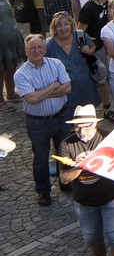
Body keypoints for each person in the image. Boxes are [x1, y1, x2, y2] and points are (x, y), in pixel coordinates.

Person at [58, 104, 114, 256]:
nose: (81, 131)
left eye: (85, 126)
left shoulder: (108, 138)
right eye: (77, 127)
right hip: (84, 201)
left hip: (110, 197)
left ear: (95, 124)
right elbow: (64, 178)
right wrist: (81, 166)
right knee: (92, 238)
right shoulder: (67, 144)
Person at [16, 31, 71, 205]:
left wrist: (41, 93)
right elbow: (31, 99)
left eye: (40, 47)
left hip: (61, 116)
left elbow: (68, 88)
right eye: (33, 48)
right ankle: (43, 191)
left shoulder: (56, 64)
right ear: (26, 51)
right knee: (40, 158)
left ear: (45, 49)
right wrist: (55, 85)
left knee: (64, 152)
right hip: (37, 123)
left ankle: (66, 182)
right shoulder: (20, 74)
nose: (37, 50)